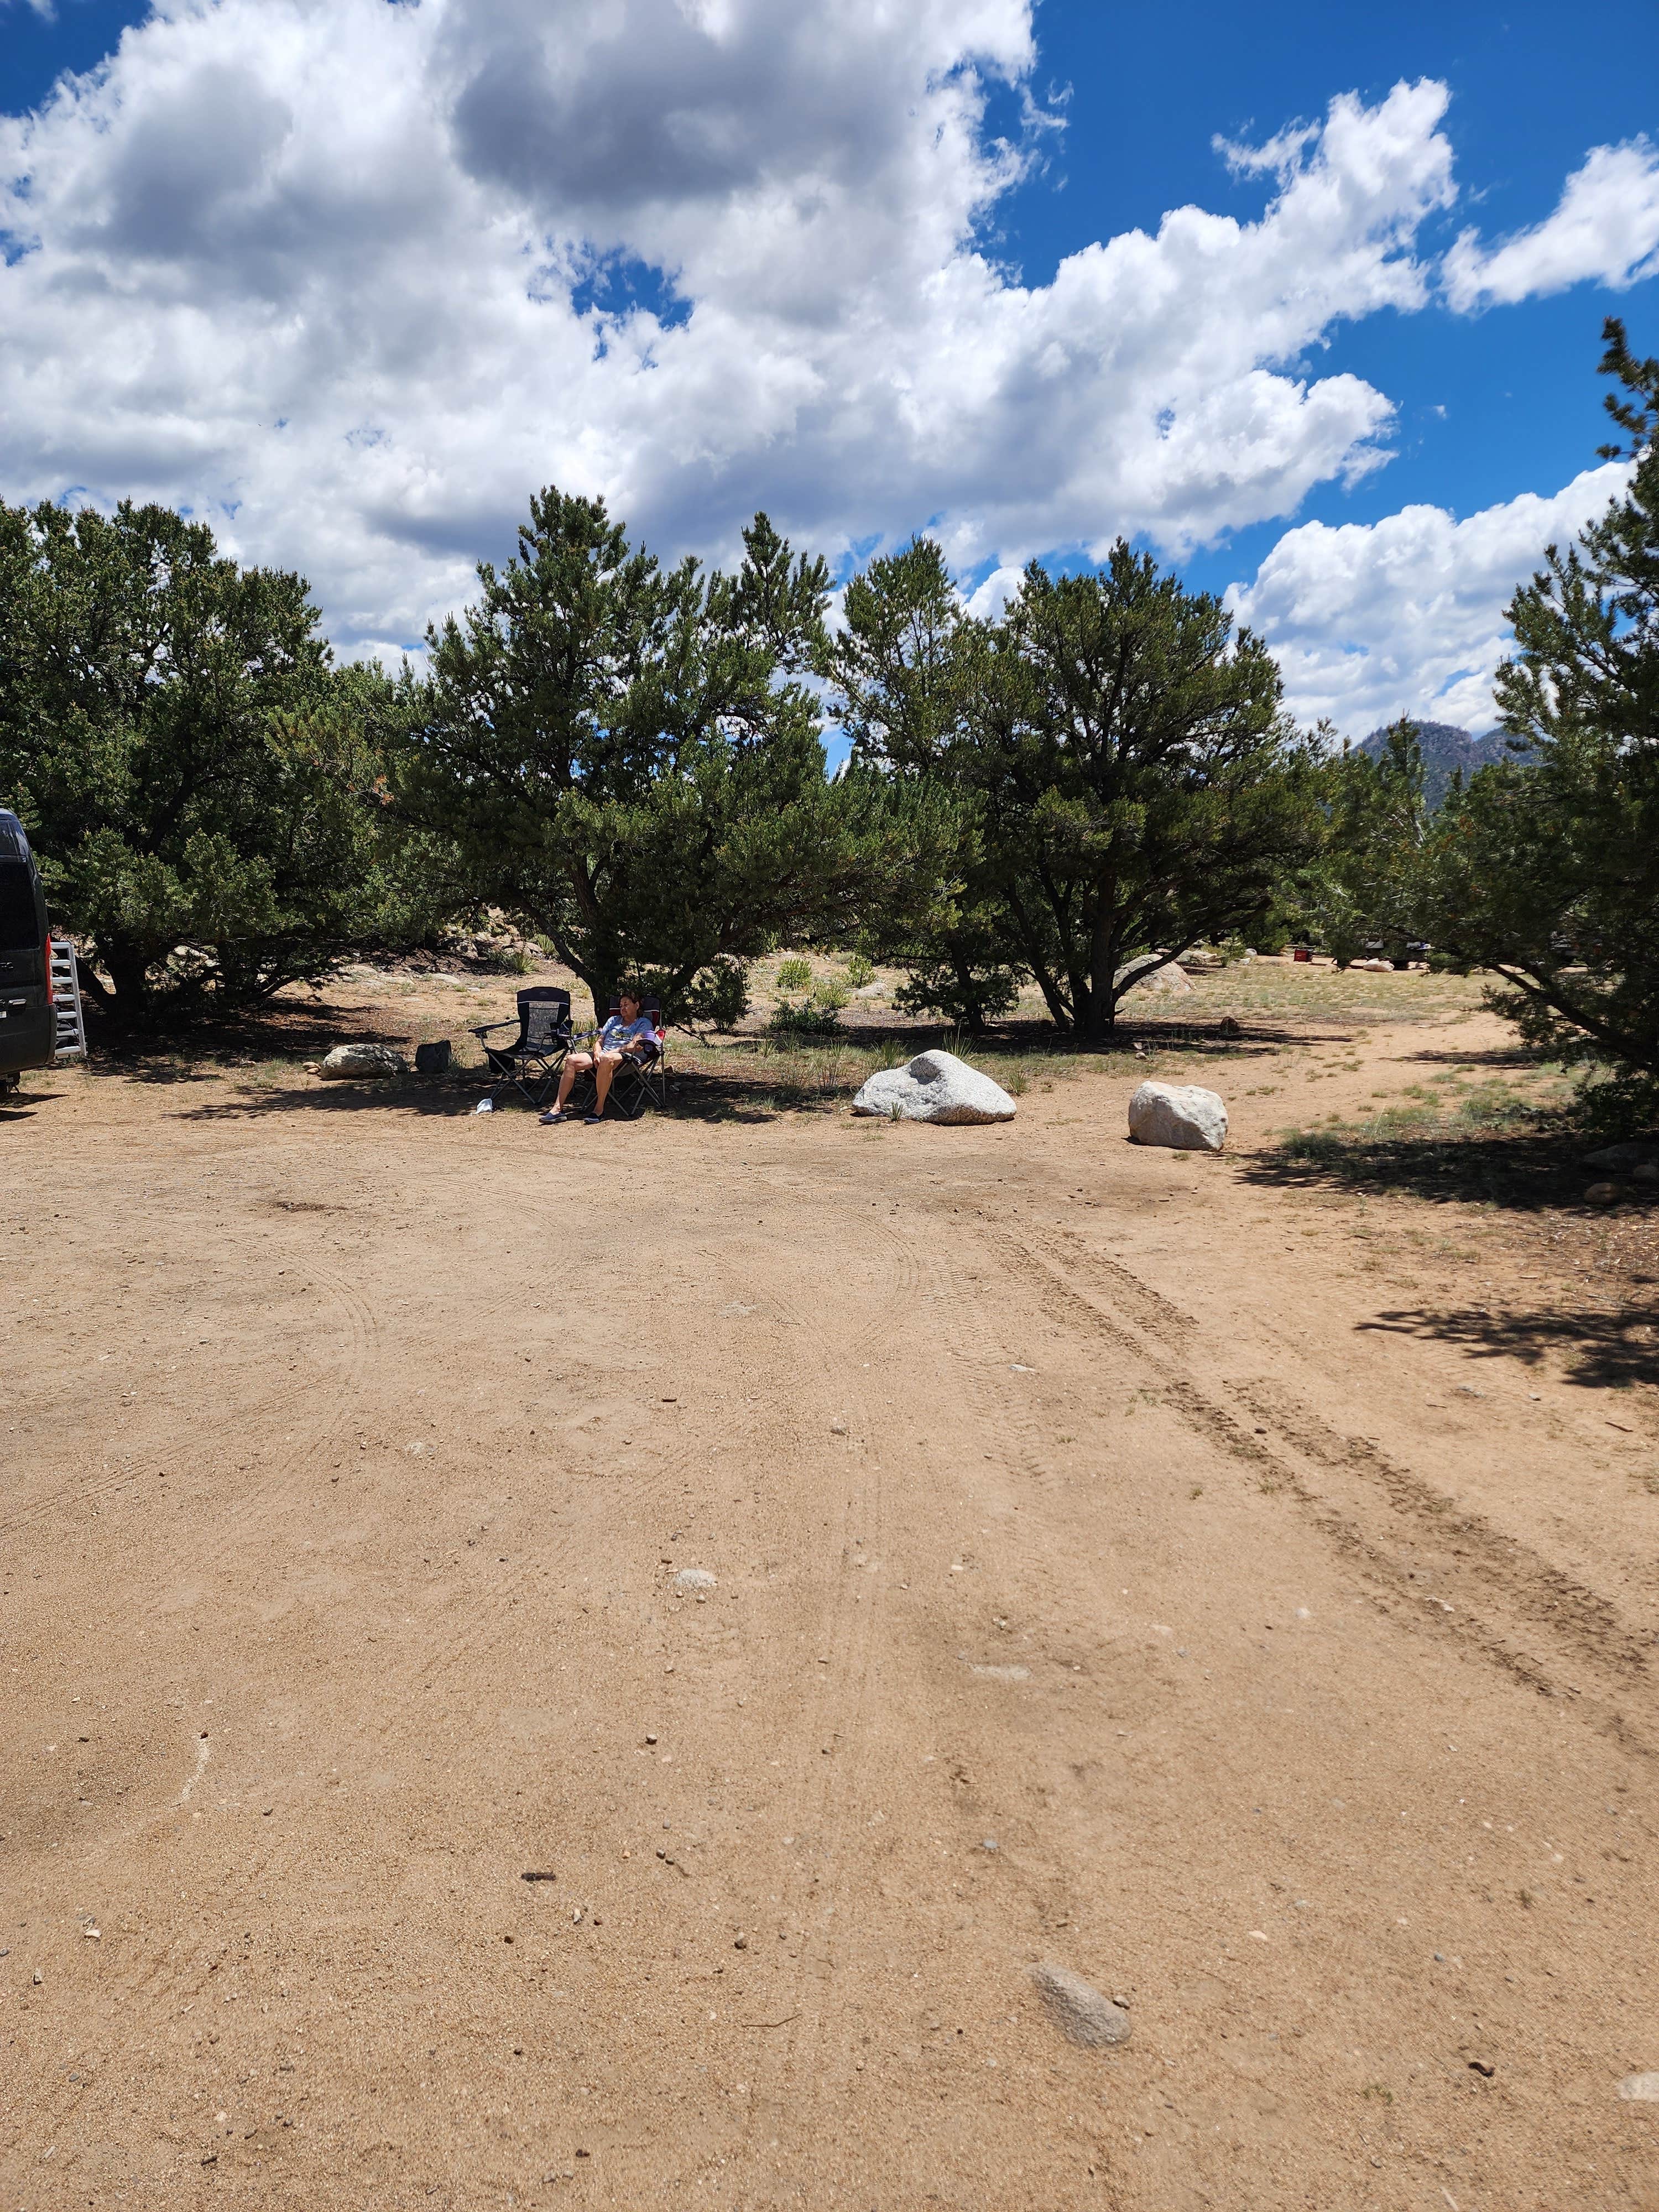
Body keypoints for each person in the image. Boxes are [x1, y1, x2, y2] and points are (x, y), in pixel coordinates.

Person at [541, 989, 658, 1124]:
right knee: (572, 1060)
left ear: (637, 1006)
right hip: (603, 1054)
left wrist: (614, 1051)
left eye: (626, 1004)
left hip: (626, 1057)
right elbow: (600, 1040)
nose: (622, 1008)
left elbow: (633, 1045)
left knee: (607, 1059)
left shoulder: (643, 1023)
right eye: (621, 1005)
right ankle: (558, 1109)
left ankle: (599, 1110)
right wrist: (597, 1051)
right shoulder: (614, 1020)